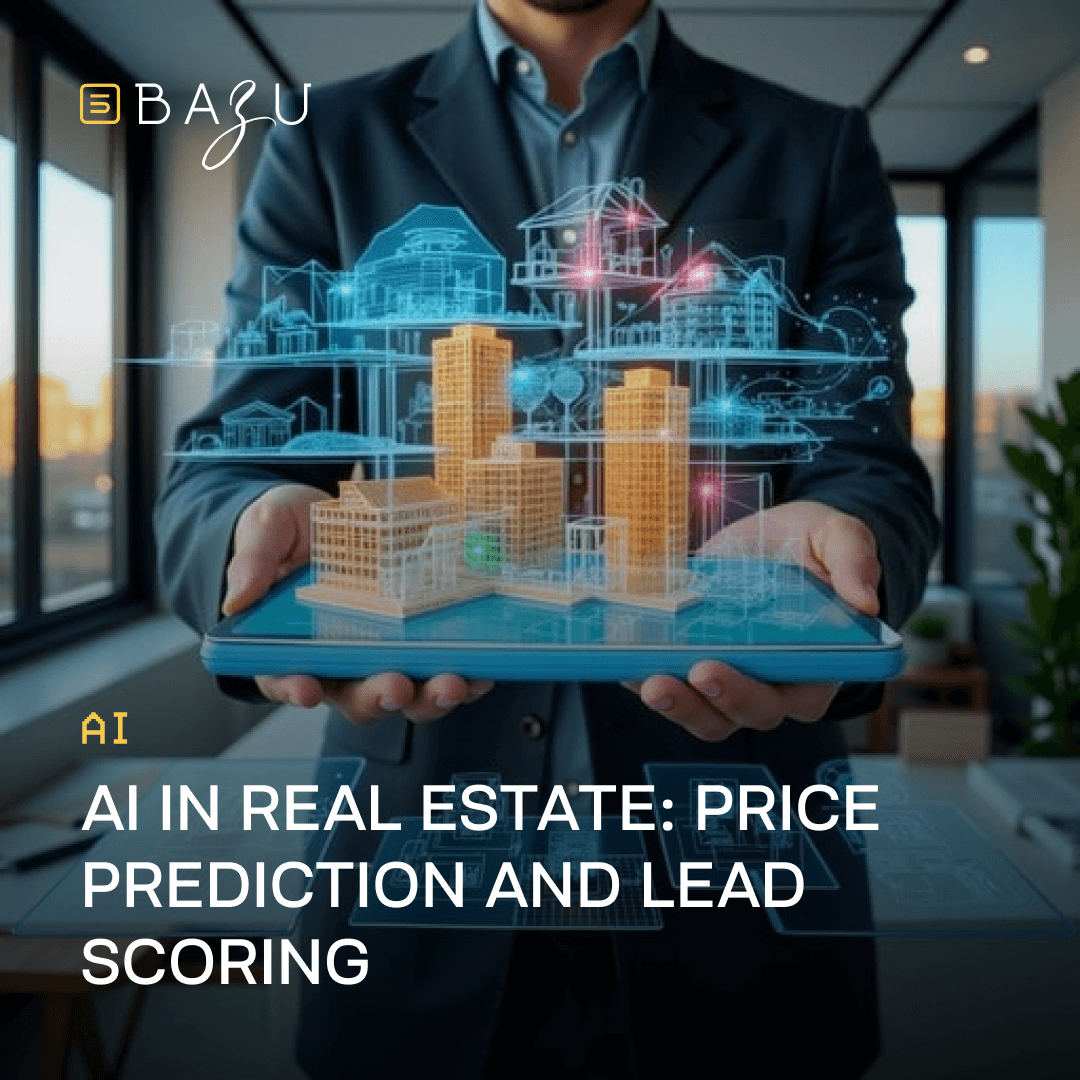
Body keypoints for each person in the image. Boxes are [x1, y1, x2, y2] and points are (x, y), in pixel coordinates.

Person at [154, 0, 938, 1075]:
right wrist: (249, 529)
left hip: (742, 896)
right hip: (414, 877)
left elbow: (869, 458)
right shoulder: (325, 139)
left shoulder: (816, 142)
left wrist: (849, 539)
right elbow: (224, 464)